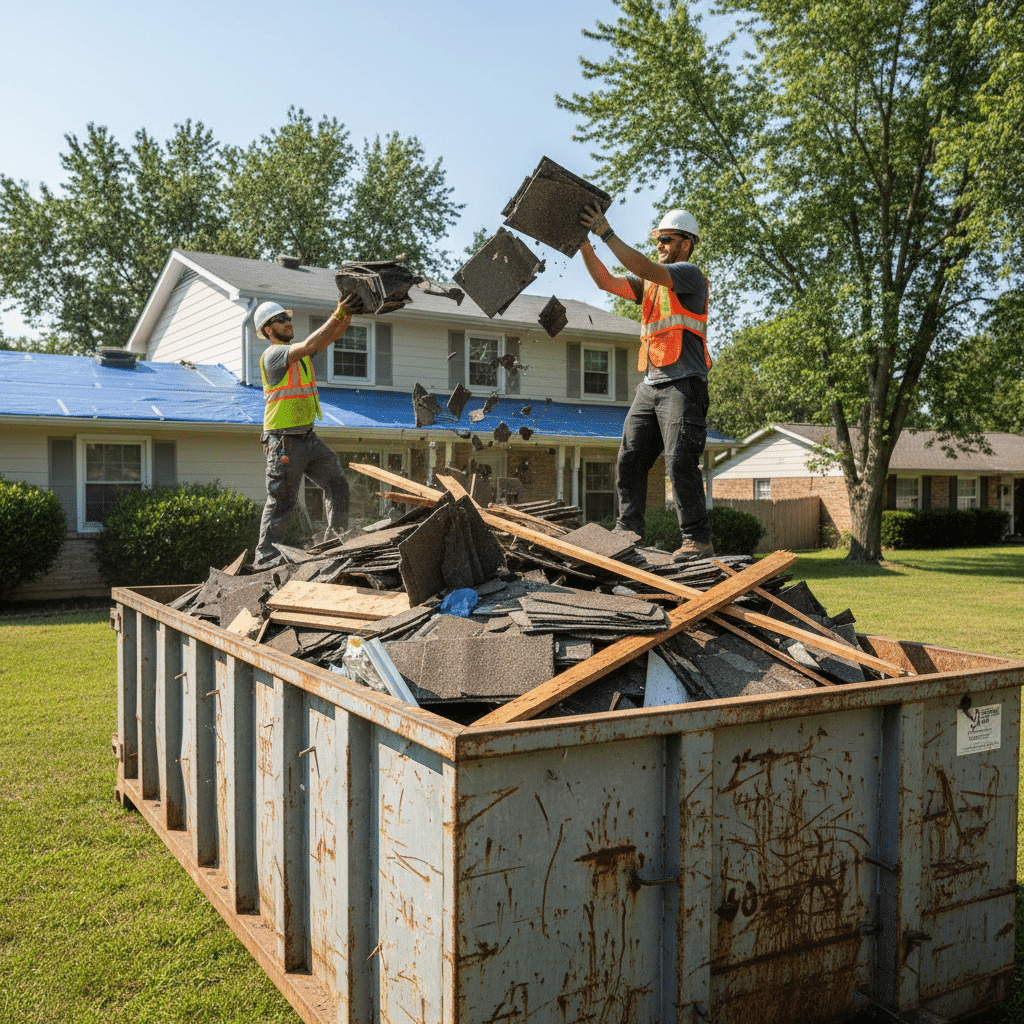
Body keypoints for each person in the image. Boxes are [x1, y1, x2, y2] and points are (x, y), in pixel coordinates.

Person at [578, 204, 714, 562]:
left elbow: (642, 266)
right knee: (630, 458)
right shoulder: (651, 286)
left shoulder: (689, 275)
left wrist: (605, 232)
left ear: (687, 244)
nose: (660, 245)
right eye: (657, 239)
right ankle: (628, 530)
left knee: (679, 461)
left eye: (666, 239)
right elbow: (606, 282)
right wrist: (583, 245)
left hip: (684, 384)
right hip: (652, 385)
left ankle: (696, 539)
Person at [251, 295, 359, 568]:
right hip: (284, 441)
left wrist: (348, 314)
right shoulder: (274, 355)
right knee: (282, 501)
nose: (288, 322)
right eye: (281, 320)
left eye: (288, 318)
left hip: (307, 437)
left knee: (337, 484)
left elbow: (329, 337)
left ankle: (336, 539)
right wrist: (337, 312)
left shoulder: (297, 355)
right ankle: (265, 559)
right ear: (268, 330)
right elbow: (313, 342)